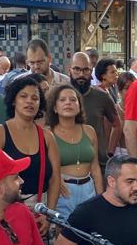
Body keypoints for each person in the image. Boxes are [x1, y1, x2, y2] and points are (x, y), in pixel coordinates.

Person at [0, 73, 61, 213]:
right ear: (13, 101)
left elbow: (55, 179)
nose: (30, 101)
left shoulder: (47, 136)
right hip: (7, 210)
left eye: (35, 98)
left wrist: (49, 214)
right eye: (23, 96)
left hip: (41, 209)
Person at [44, 83, 103, 218]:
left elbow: (95, 168)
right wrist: (56, 178)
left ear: (79, 106)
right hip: (62, 191)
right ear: (55, 107)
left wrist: (101, 198)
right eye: (62, 100)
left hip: (88, 189)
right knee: (63, 229)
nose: (68, 103)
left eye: (73, 99)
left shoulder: (89, 131)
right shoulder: (48, 133)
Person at [69, 51, 121, 166]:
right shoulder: (60, 96)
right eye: (77, 69)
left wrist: (110, 152)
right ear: (69, 70)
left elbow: (117, 124)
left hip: (98, 162)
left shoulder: (102, 96)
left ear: (91, 71)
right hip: (67, 164)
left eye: (86, 70)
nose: (81, 74)